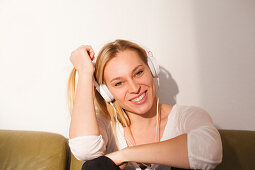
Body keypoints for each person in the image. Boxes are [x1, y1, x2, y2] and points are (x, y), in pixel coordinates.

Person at [67, 39, 223, 170]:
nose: (135, 88)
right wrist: (85, 72)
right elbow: (84, 149)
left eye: (138, 73)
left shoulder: (186, 116)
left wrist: (124, 155)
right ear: (107, 93)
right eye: (119, 83)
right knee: (95, 167)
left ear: (152, 70)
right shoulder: (106, 126)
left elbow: (209, 151)